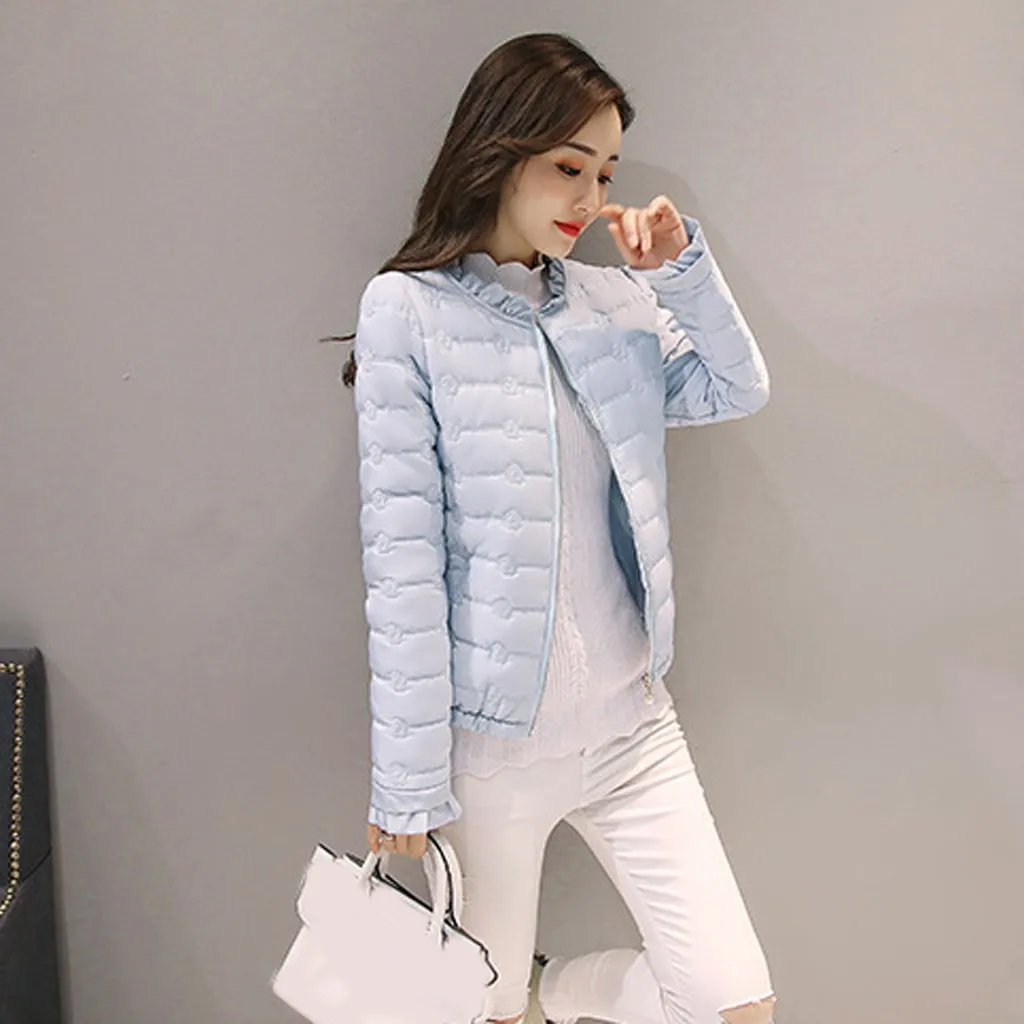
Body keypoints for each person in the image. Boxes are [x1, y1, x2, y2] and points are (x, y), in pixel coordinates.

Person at [337, 31, 776, 1024]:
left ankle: (557, 990)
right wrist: (406, 783)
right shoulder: (407, 311)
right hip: (489, 756)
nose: (590, 195)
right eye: (568, 166)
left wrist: (680, 274)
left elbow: (734, 387)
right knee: (475, 1013)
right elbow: (402, 564)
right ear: (498, 152)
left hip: (632, 729)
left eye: (606, 172)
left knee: (731, 1006)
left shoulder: (615, 301)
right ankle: (517, 999)